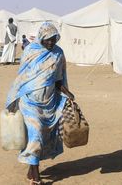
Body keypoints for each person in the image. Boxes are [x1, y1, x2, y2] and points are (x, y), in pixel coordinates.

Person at [5, 22, 75, 185]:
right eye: (47, 39)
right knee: (35, 132)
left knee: (42, 136)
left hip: (49, 103)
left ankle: (31, 169)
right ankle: (36, 178)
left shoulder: (58, 54)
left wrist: (68, 93)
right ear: (41, 37)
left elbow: (58, 79)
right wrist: (14, 98)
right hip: (29, 101)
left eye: (53, 39)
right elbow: (22, 76)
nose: (51, 43)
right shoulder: (31, 51)